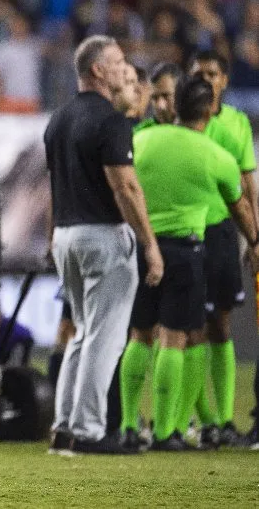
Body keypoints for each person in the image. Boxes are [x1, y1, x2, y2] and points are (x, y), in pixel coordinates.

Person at [121, 76, 259, 451]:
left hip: (144, 248)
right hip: (186, 251)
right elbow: (240, 208)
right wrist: (255, 240)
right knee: (176, 337)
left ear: (175, 105)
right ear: (210, 110)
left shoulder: (142, 140)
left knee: (139, 334)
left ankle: (128, 425)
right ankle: (167, 431)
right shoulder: (216, 156)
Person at [44, 35, 163, 455]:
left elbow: (53, 186)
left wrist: (52, 237)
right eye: (117, 61)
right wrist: (149, 243)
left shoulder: (58, 119)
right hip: (102, 235)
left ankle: (64, 427)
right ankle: (90, 431)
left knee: (80, 334)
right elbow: (126, 187)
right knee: (105, 339)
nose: (124, 66)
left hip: (66, 235)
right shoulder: (110, 120)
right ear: (97, 70)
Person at [189, 50, 259, 445]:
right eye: (198, 74)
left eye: (212, 74)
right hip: (183, 231)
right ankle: (202, 419)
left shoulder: (235, 124)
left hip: (220, 232)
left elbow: (248, 184)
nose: (205, 80)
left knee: (219, 324)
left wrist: (254, 238)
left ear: (224, 80)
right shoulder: (179, 119)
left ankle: (224, 419)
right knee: (186, 329)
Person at [135, 63, 181, 131]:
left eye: (166, 96)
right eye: (154, 98)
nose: (160, 106)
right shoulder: (140, 132)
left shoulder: (196, 129)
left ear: (181, 93)